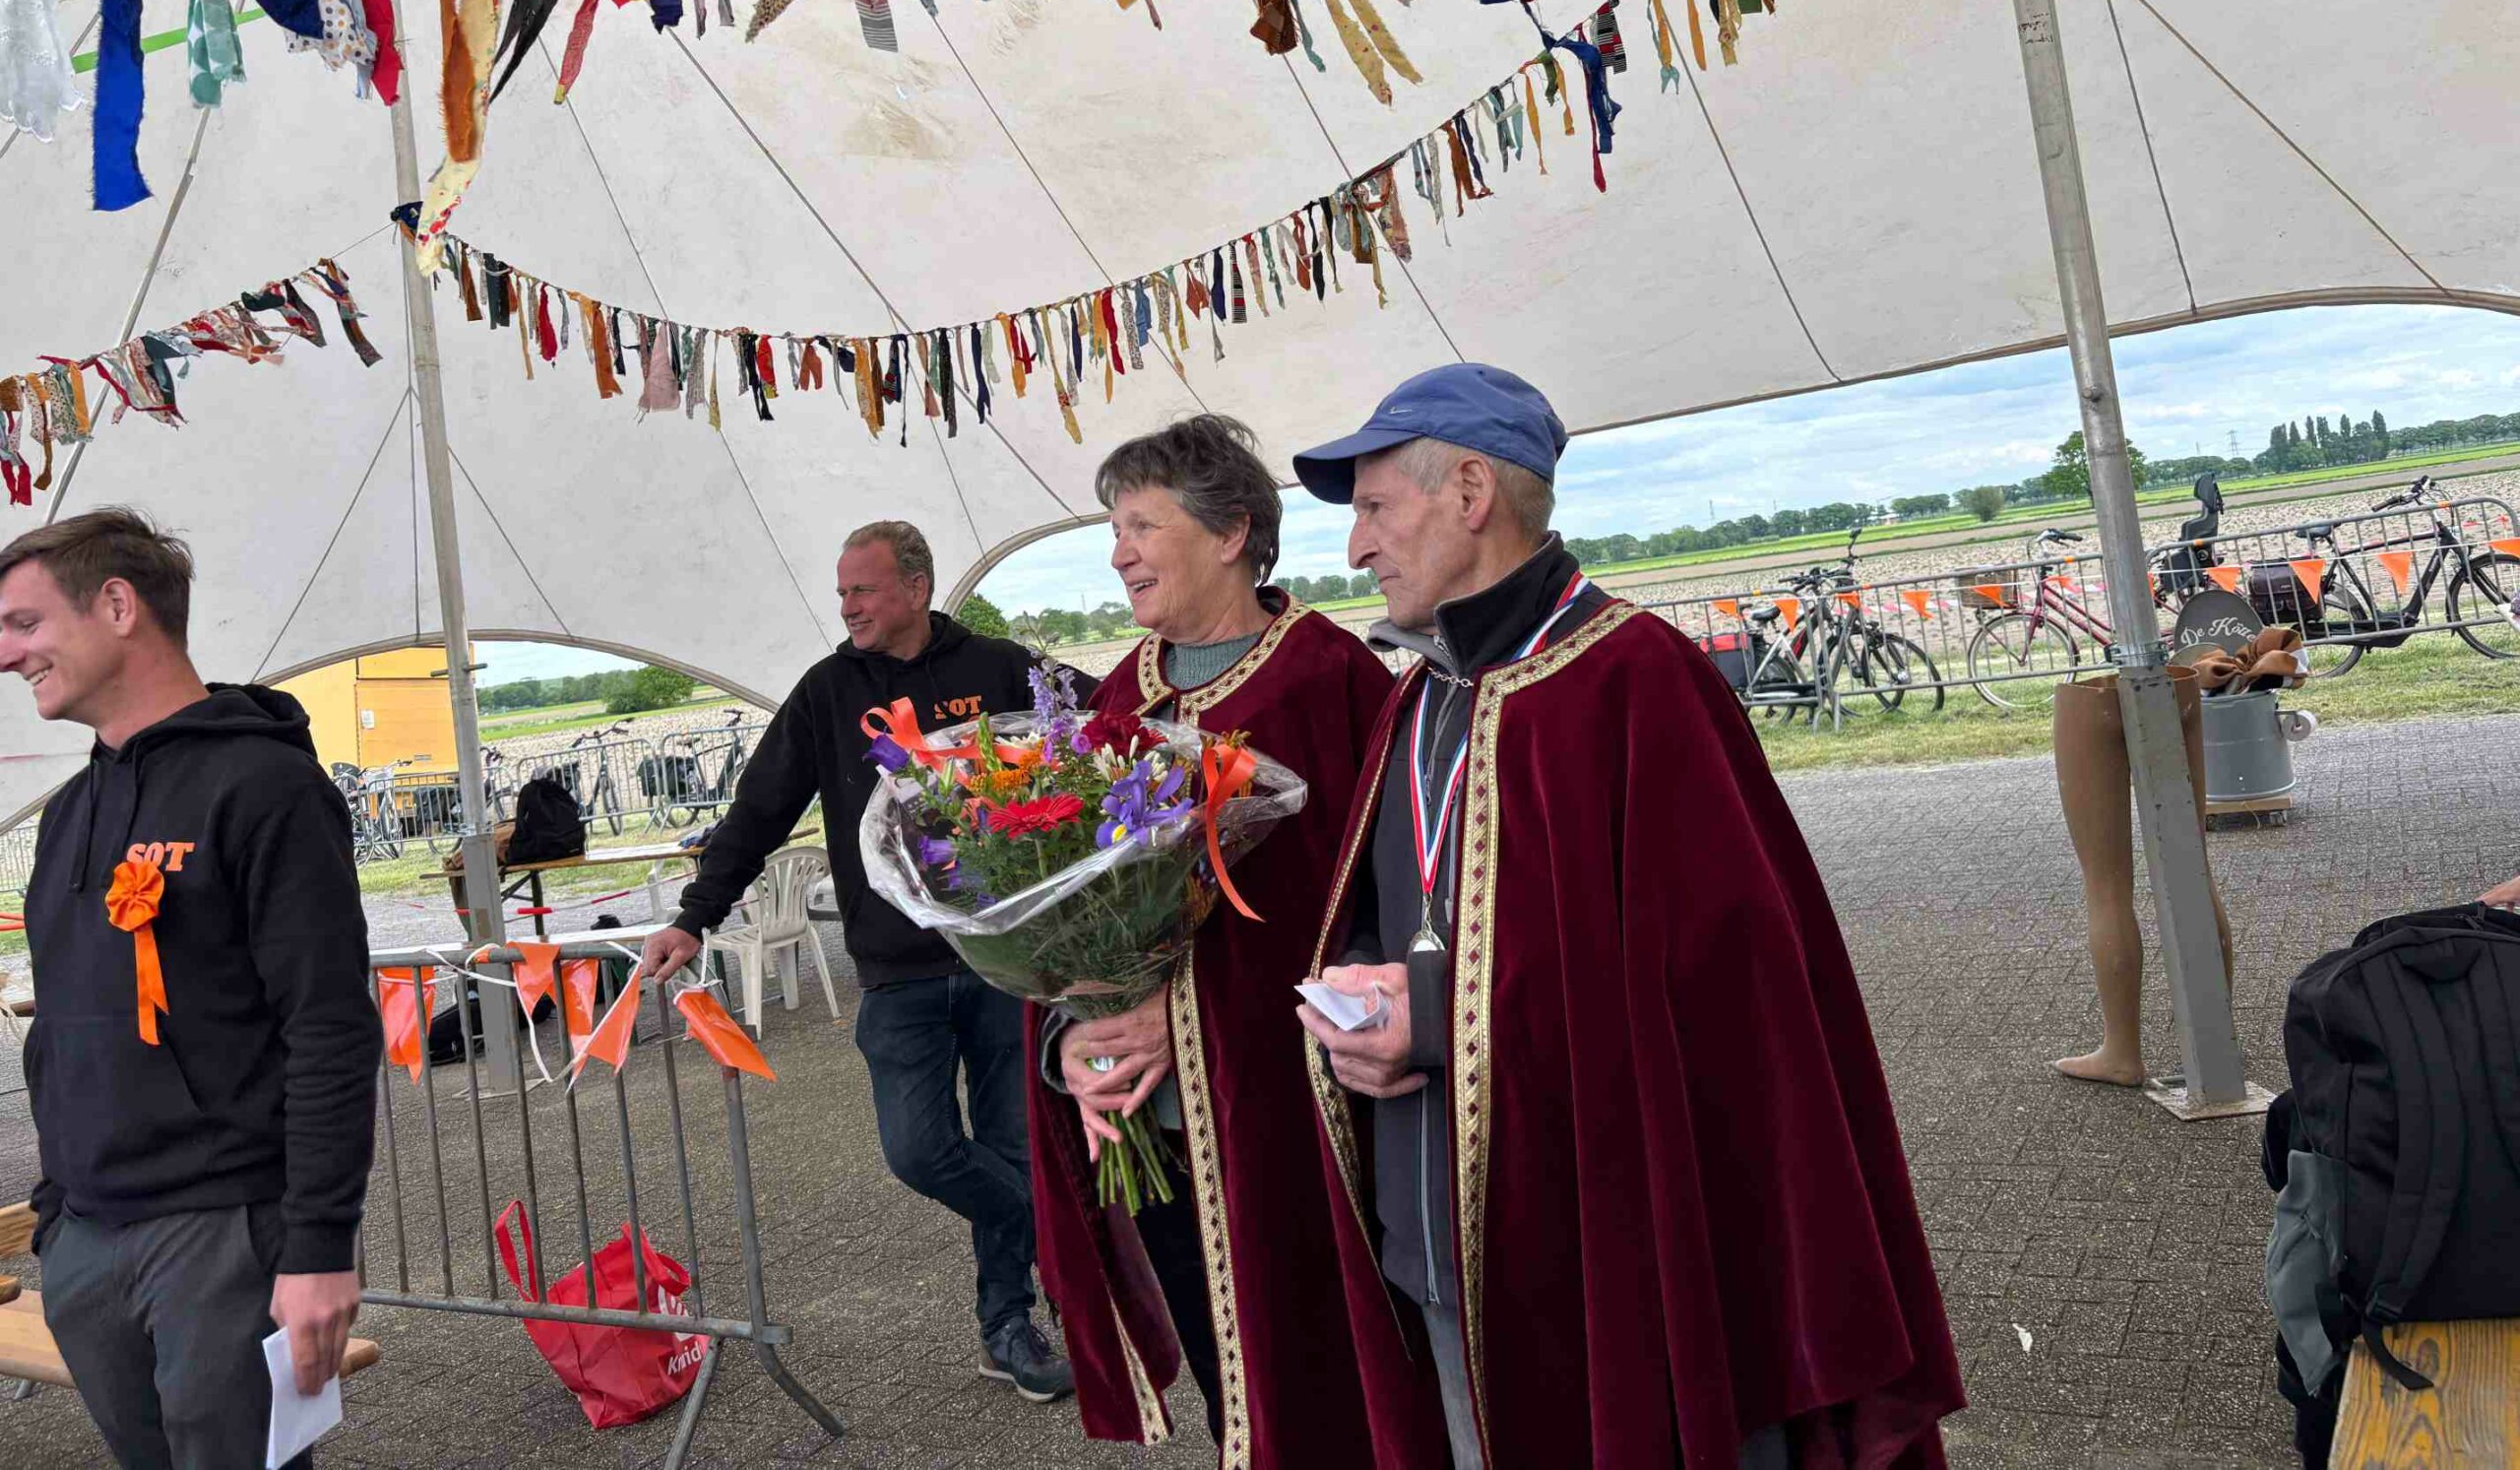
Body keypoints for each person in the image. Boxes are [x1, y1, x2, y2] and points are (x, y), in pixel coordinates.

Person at [1291, 365, 1964, 1469]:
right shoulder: (1417, 693)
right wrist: (1360, 985)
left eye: (1373, 507)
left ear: (1471, 493)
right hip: (1434, 1233)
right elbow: (1374, 912)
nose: (1356, 547)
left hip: (1613, 1249)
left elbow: (1719, 994)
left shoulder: (1632, 680)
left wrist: (1436, 1017)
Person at [1027, 415, 1438, 1463]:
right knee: (1228, 1383)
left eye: (1140, 525)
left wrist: (1191, 1015)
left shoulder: (1328, 681)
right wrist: (1071, 1035)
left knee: (1324, 1370)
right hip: (1152, 1123)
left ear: (1229, 533)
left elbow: (1379, 915)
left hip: (1297, 1121)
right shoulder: (1116, 702)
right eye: (1112, 530)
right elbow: (1061, 910)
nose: (1118, 553)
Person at [637, 520, 1072, 1401]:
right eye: (842, 592)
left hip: (1001, 955)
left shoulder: (998, 666)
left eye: (862, 590)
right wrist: (695, 917)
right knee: (920, 1151)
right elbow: (759, 812)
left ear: (916, 587)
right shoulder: (828, 691)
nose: (847, 607)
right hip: (897, 970)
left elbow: (1095, 727)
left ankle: (1007, 1328)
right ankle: (1067, 1236)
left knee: (1009, 1143)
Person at [0, 508, 381, 1468]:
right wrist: (56, 1215)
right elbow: (62, 1026)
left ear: (117, 605)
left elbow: (329, 1028)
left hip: (221, 1239)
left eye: (25, 623)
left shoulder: (266, 788)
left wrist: (318, 1246)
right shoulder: (70, 813)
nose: (7, 655)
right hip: (86, 1242)